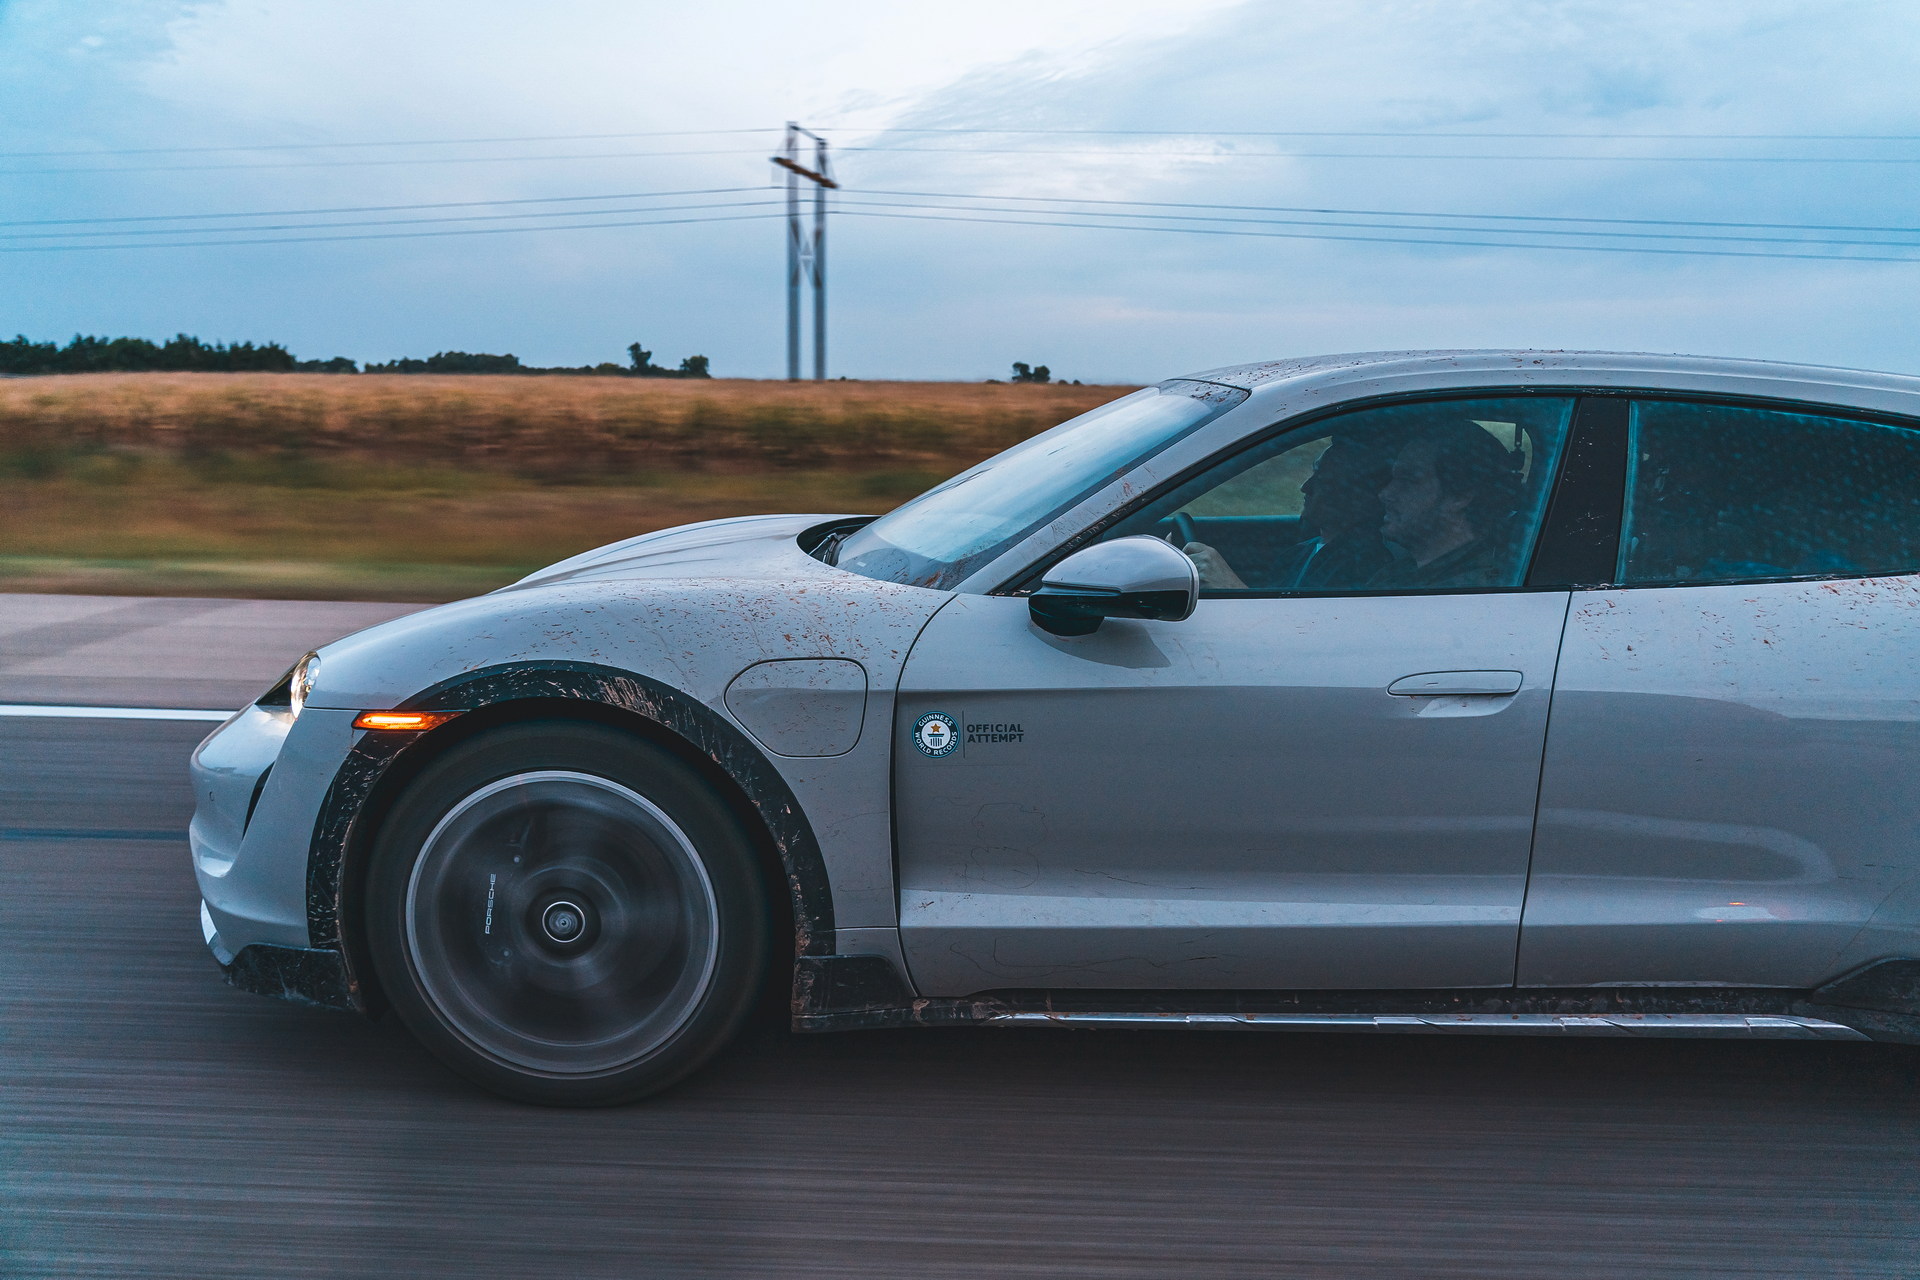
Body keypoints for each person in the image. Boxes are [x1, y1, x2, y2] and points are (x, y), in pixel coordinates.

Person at [1182, 434, 1396, 591]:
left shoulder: (1367, 563)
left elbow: (1308, 632)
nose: (1306, 487)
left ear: (1359, 496)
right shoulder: (1298, 553)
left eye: (1323, 481)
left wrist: (1231, 586)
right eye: (1314, 475)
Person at [1372, 420, 1524, 589]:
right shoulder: (1396, 574)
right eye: (1393, 479)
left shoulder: (1473, 588)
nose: (1384, 494)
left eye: (1408, 481)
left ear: (1460, 497)